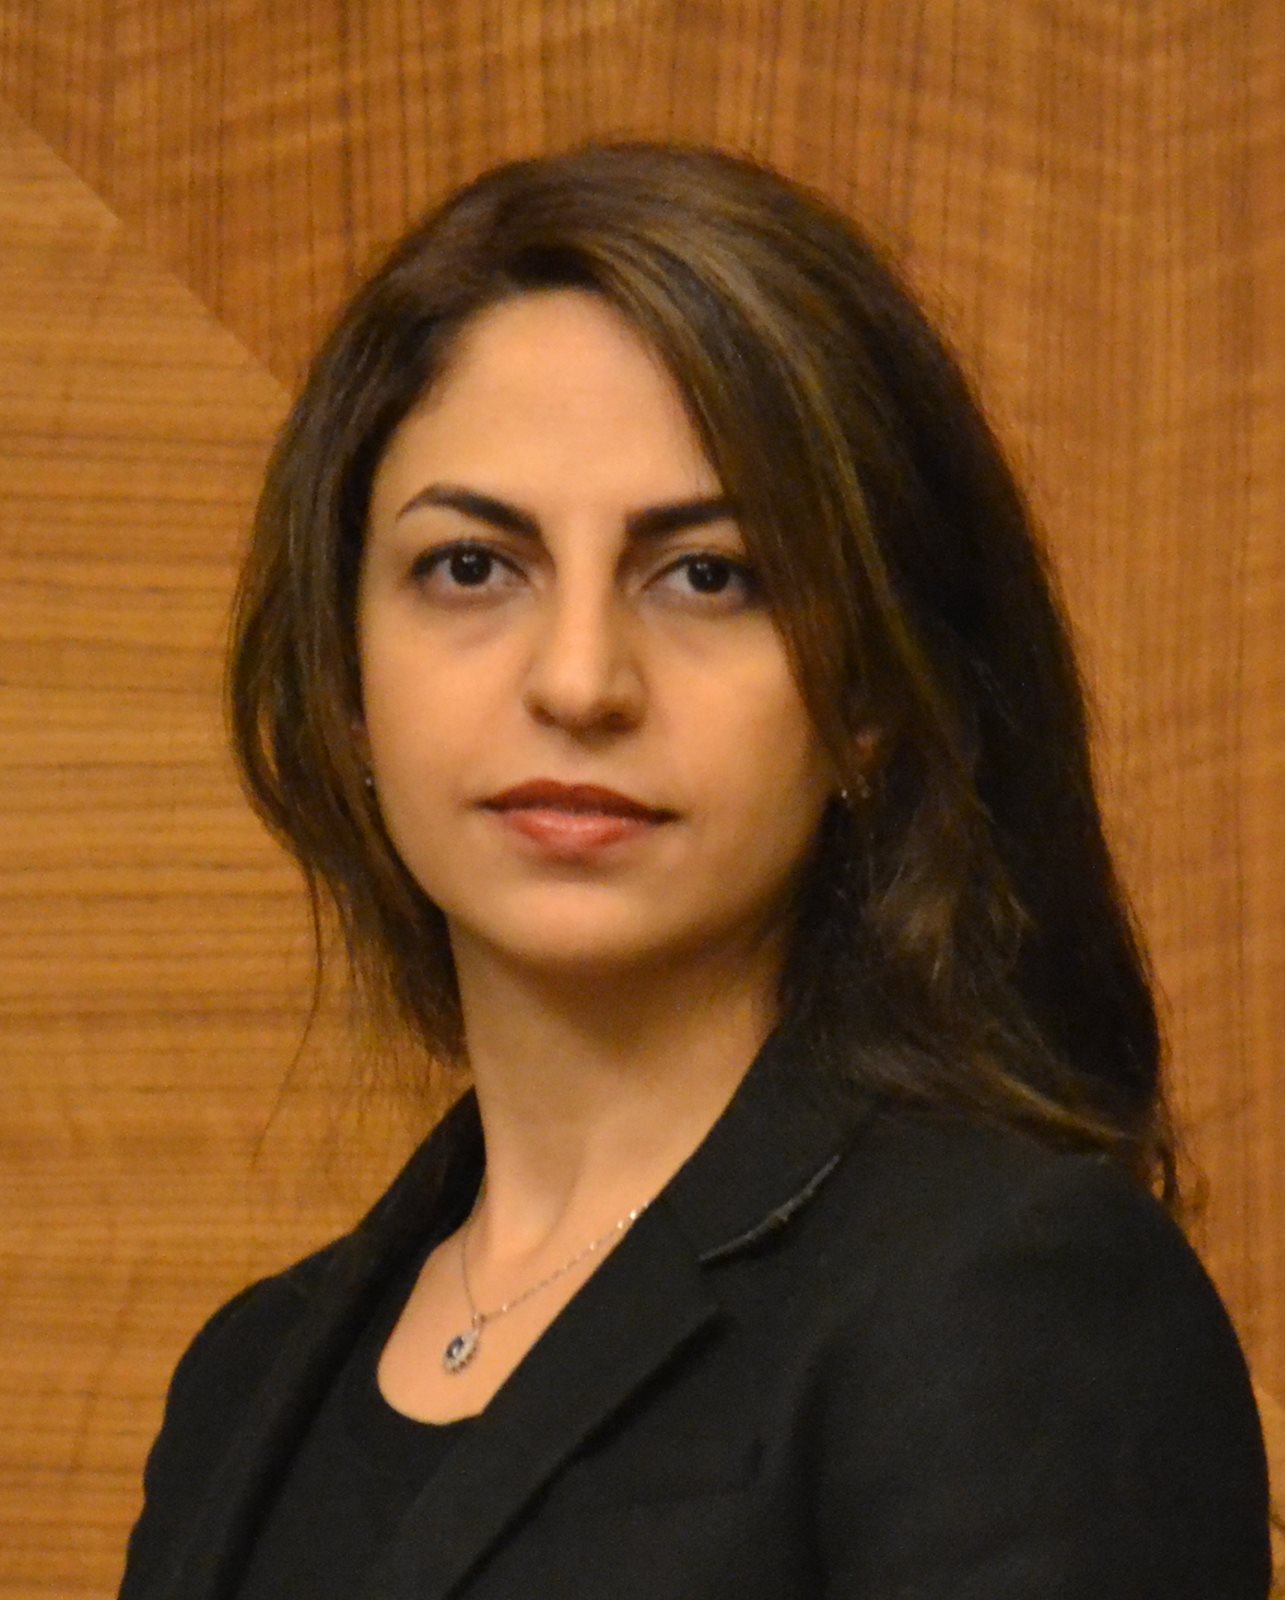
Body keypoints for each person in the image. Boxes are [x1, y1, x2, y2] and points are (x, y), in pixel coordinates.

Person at [117, 142, 1272, 1599]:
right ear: (349, 683)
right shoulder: (247, 1383)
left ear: (869, 697)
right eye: (471, 567)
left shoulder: (1004, 1303)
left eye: (709, 575)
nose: (581, 681)